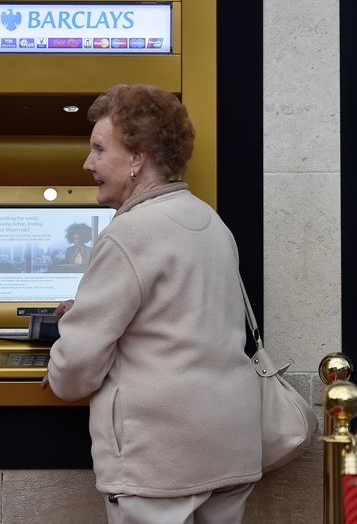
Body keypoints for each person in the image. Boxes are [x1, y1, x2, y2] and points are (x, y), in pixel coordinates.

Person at [42, 84, 262, 524]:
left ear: (138, 158)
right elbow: (181, 317)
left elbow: (76, 370)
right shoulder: (210, 221)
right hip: (228, 446)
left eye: (99, 149)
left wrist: (57, 369)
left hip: (161, 460)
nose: (88, 163)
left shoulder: (129, 233)